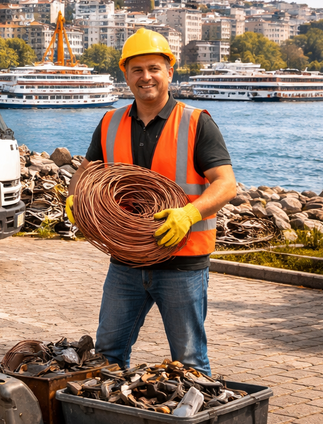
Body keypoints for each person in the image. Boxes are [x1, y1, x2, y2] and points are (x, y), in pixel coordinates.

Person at [66, 28, 237, 376]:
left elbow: (226, 185)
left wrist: (189, 214)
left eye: (154, 68)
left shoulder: (195, 123)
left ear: (170, 72)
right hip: (126, 263)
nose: (146, 77)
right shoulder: (110, 122)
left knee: (189, 362)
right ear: (125, 75)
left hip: (182, 262)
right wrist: (75, 199)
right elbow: (85, 173)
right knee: (108, 354)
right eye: (137, 69)